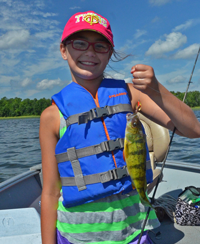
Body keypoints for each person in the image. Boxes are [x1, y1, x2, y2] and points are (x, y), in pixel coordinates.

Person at [39, 10, 200, 244]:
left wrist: (156, 88)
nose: (90, 52)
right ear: (64, 50)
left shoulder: (129, 94)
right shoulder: (51, 116)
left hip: (133, 232)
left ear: (110, 53)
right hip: (76, 236)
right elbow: (51, 192)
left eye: (100, 46)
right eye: (80, 43)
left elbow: (193, 130)